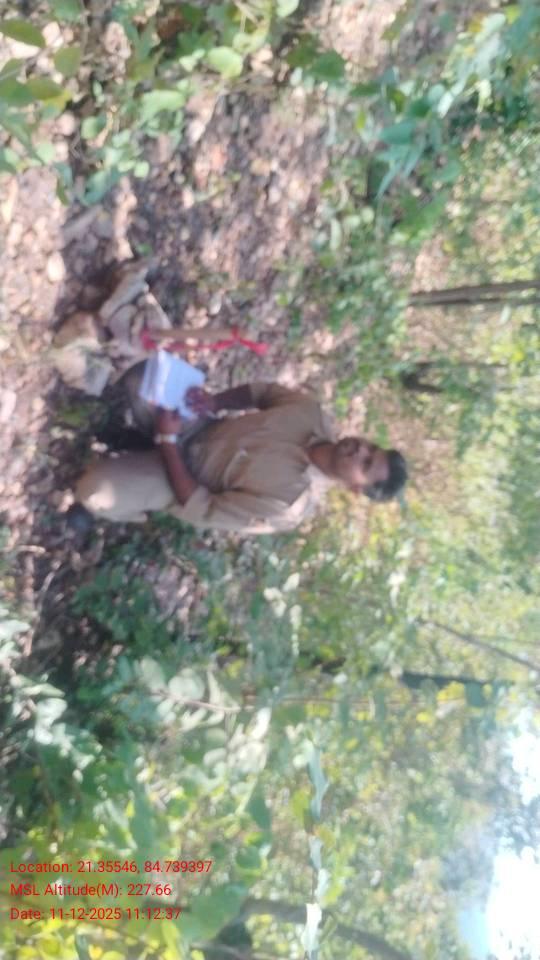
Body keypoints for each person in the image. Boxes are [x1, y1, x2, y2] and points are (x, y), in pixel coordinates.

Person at [70, 378, 407, 533]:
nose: (361, 449)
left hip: (182, 479)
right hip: (199, 427)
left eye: (366, 463)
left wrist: (168, 442)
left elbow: (202, 508)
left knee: (93, 491)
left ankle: (130, 508)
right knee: (144, 377)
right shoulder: (311, 414)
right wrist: (213, 402)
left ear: (355, 489)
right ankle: (137, 441)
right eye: (371, 447)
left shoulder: (288, 505)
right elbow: (262, 392)